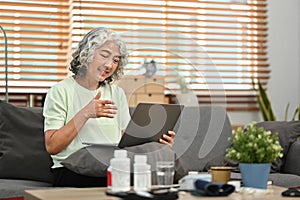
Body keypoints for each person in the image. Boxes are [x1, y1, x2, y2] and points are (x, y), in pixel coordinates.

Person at [43, 27, 176, 187]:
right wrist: (85, 113)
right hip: (71, 170)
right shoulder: (60, 91)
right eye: (104, 55)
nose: (109, 65)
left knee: (155, 172)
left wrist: (157, 144)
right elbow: (52, 146)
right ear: (87, 54)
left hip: (112, 165)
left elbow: (126, 142)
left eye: (115, 60)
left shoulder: (116, 93)